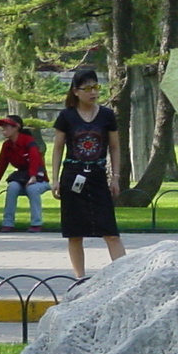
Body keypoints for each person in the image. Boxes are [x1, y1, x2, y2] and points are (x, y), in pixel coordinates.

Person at [51, 68, 125, 279]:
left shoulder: (107, 115)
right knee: (75, 233)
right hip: (73, 175)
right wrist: (55, 179)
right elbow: (57, 148)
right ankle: (79, 278)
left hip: (98, 175)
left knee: (110, 231)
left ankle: (124, 274)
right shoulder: (66, 116)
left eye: (95, 88)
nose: (92, 93)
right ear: (76, 91)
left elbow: (115, 147)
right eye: (87, 89)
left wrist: (115, 177)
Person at [0, 115, 49, 231]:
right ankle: (8, 223)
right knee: (12, 187)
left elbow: (35, 158)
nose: (3, 129)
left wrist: (33, 176)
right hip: (21, 178)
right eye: (2, 127)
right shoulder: (7, 145)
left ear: (16, 127)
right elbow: (0, 168)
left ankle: (36, 223)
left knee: (32, 189)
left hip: (39, 178)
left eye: (6, 126)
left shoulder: (28, 140)